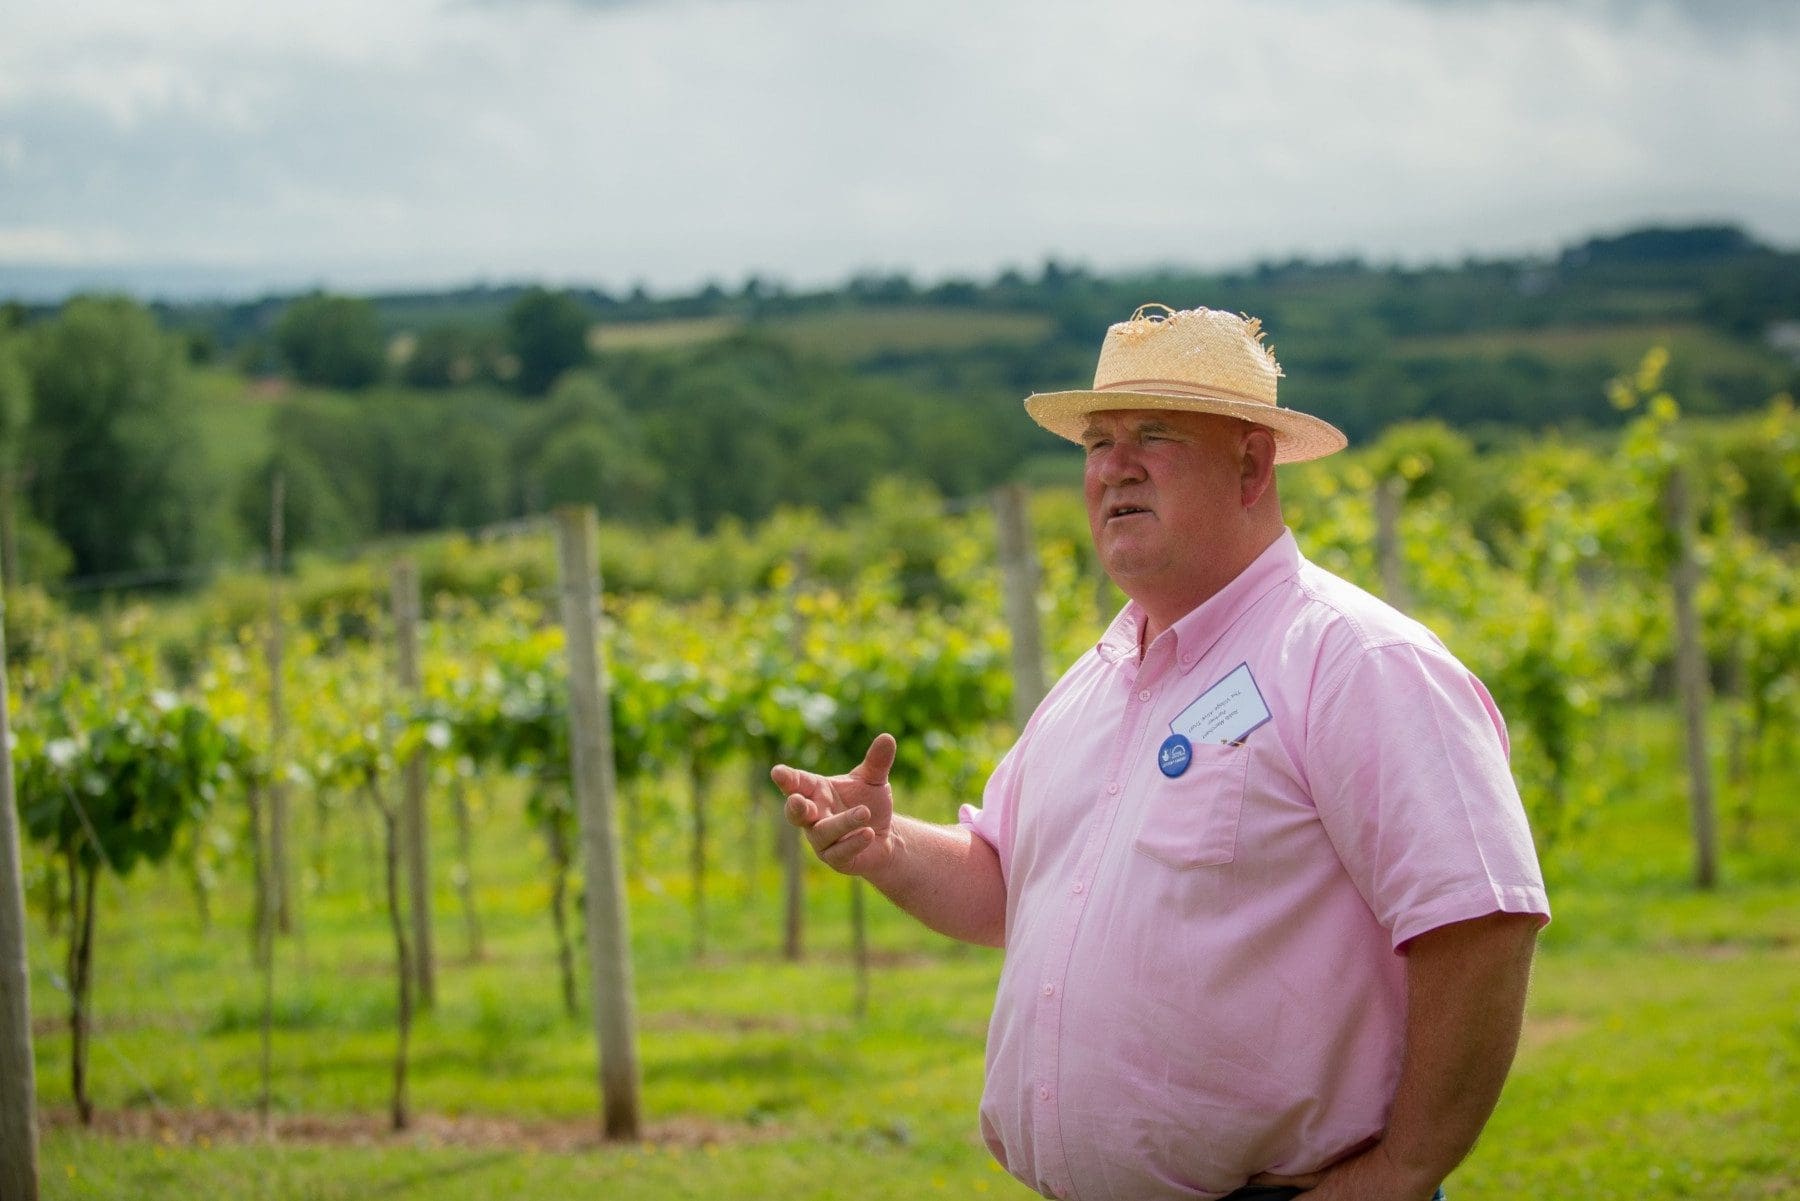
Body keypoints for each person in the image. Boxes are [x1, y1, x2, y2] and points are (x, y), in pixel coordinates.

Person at [771, 304, 1550, 1201]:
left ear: (1251, 463)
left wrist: (1403, 1171)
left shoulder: (1353, 660)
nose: (1115, 467)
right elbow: (1004, 885)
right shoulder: (1098, 680)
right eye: (1098, 442)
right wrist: (887, 846)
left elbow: (1481, 921)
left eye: (1155, 433)